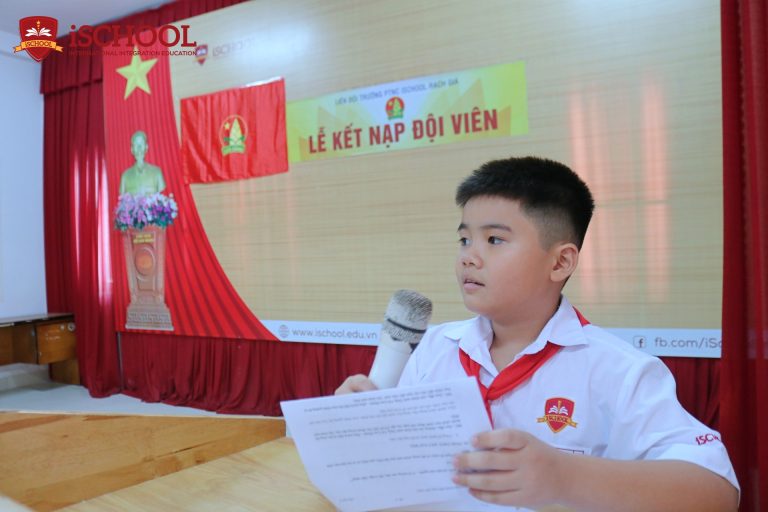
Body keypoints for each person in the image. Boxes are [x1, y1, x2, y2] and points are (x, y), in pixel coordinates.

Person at [336, 156, 739, 511]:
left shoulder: (617, 369)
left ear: (560, 262)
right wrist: (358, 426)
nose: (468, 257)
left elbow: (717, 492)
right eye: (464, 239)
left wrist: (564, 477)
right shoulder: (434, 349)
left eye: (494, 239)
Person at [119, 130, 166, 196]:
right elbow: (122, 197)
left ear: (146, 147)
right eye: (136, 144)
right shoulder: (125, 176)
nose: (139, 148)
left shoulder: (157, 172)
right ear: (132, 149)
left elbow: (161, 191)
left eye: (141, 144)